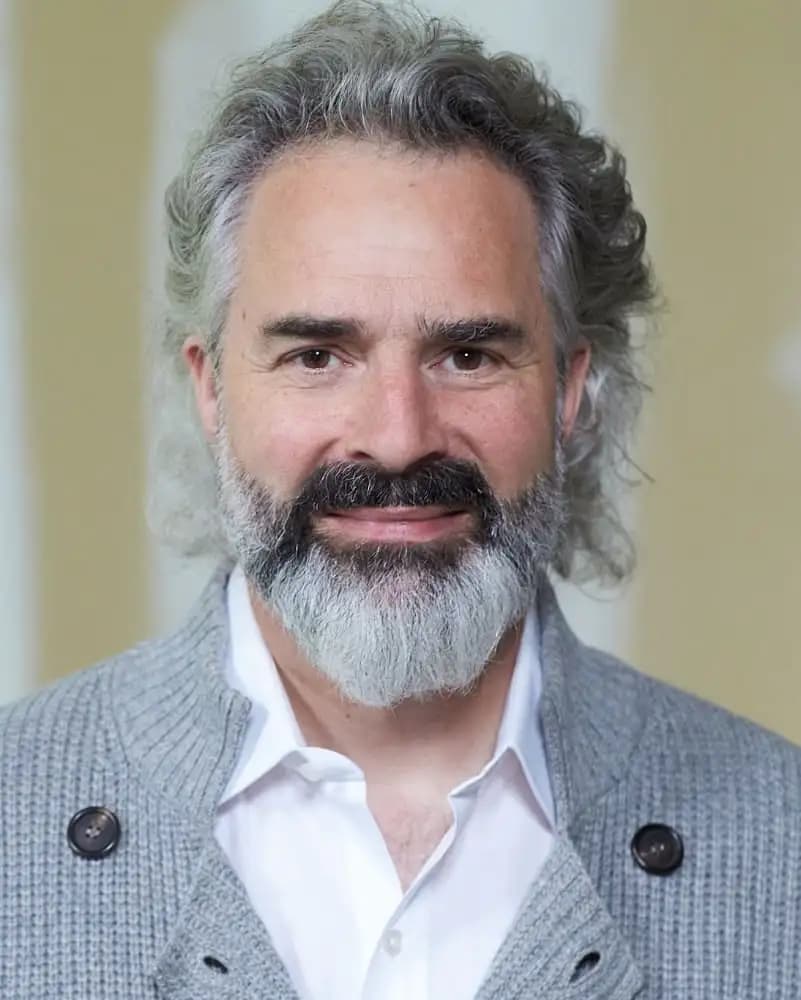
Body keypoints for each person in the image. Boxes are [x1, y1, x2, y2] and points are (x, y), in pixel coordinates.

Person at [2, 2, 800, 997]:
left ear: (569, 389)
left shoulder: (782, 838)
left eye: (467, 353)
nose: (396, 434)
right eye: (318, 354)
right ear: (210, 388)